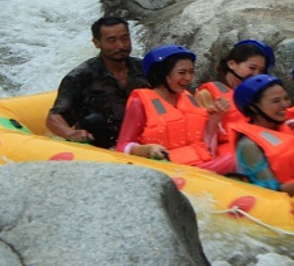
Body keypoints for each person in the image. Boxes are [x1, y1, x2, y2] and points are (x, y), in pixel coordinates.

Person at [115, 45, 232, 173]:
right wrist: (147, 149)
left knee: (233, 158)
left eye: (191, 72)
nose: (188, 78)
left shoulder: (189, 98)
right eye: (182, 73)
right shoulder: (139, 102)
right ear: (162, 73)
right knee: (233, 161)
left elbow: (206, 143)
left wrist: (215, 118)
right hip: (166, 170)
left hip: (199, 167)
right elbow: (122, 147)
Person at [46, 16, 148, 149]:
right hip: (102, 147)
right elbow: (54, 118)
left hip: (143, 141)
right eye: (112, 41)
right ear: (97, 43)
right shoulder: (80, 77)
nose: (121, 45)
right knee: (95, 120)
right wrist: (71, 133)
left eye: (125, 38)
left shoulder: (146, 69)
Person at [231, 74, 294, 195]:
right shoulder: (248, 145)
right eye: (276, 101)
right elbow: (272, 193)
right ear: (253, 107)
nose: (285, 104)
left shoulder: (290, 125)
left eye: (286, 98)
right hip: (289, 204)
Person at [196, 39, 275, 157]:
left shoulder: (259, 96)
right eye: (252, 68)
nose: (256, 75)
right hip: (224, 157)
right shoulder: (206, 94)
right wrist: (215, 118)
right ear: (232, 64)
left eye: (261, 71)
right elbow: (200, 138)